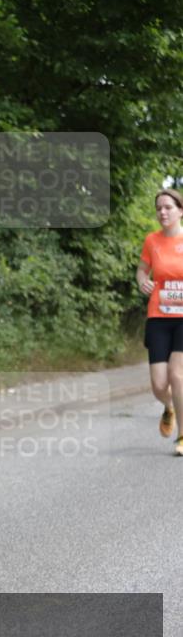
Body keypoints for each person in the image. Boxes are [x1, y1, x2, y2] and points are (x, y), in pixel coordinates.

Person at [136, 187, 183, 456]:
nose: (162, 212)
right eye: (159, 208)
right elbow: (142, 270)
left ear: (180, 211)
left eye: (168, 207)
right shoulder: (151, 241)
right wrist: (143, 282)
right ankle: (171, 406)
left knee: (178, 376)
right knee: (158, 385)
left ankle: (182, 436)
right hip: (158, 316)